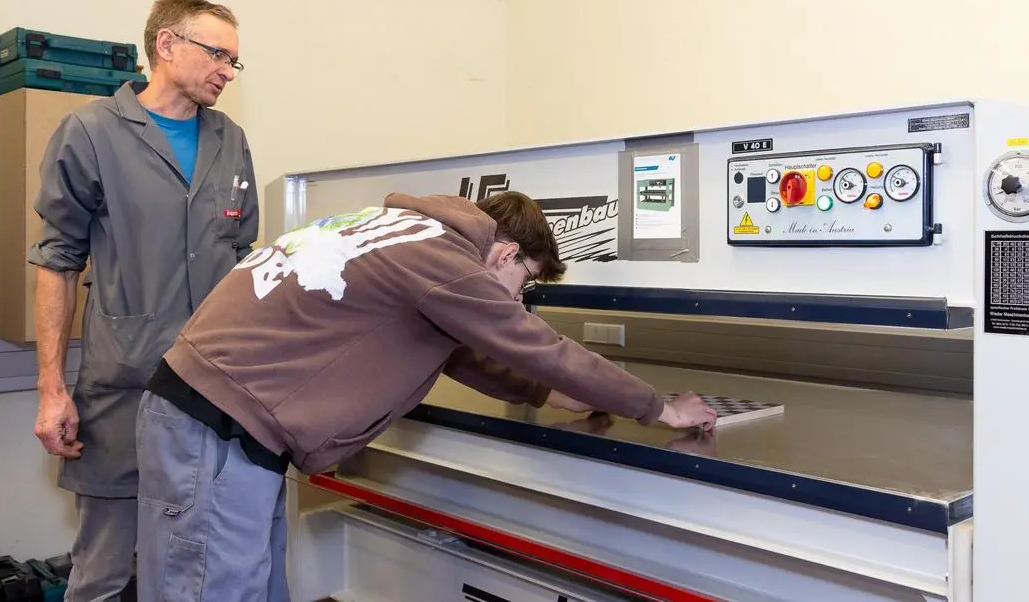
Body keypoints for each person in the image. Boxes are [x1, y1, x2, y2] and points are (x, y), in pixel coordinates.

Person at [134, 190, 717, 601]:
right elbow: (538, 345)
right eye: (526, 282)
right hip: (216, 431)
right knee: (209, 589)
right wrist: (659, 408)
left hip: (210, 420)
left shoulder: (403, 232)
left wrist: (557, 393)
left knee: (249, 587)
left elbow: (471, 355)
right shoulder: (443, 258)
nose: (520, 300)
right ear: (506, 254)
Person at [28, 0, 258, 602]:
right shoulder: (91, 132)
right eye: (218, 55)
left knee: (199, 564)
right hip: (123, 388)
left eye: (234, 61)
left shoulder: (230, 140)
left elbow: (243, 258)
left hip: (212, 390)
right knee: (103, 571)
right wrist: (51, 389)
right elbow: (57, 261)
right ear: (166, 45)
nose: (228, 72)